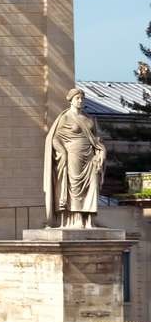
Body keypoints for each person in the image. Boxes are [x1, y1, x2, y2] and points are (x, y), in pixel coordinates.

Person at [44, 87, 106, 228]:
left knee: (92, 186)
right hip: (73, 156)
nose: (80, 101)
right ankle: (75, 219)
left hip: (90, 157)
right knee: (75, 187)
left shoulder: (89, 118)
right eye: (77, 98)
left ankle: (89, 220)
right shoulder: (65, 117)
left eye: (82, 98)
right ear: (71, 100)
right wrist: (63, 153)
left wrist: (101, 152)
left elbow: (97, 139)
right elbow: (54, 139)